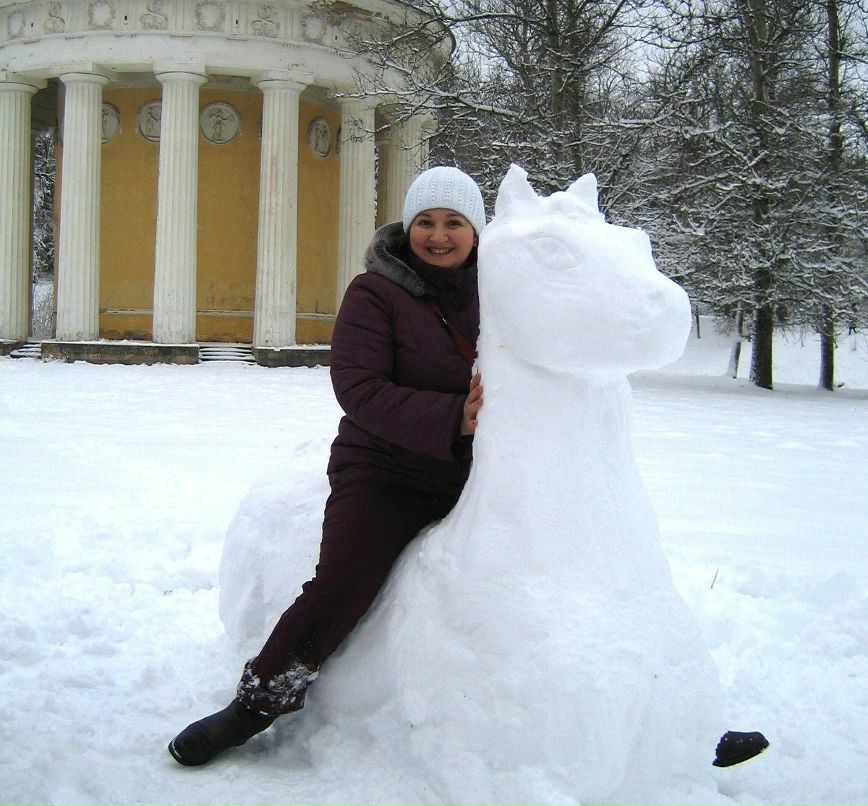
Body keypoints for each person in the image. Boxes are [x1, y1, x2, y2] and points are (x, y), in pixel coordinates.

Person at [168, 165, 486, 767]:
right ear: (407, 227)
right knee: (343, 582)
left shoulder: (501, 291)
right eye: (425, 221)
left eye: (454, 223)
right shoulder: (375, 293)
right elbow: (359, 388)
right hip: (385, 469)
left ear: (476, 231)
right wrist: (456, 419)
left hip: (477, 469)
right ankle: (257, 702)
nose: (438, 235)